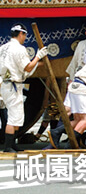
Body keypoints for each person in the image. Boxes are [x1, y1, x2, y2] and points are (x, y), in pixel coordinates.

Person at [0, 24, 48, 152]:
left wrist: (36, 64)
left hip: (6, 83)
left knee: (17, 117)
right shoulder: (19, 49)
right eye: (25, 35)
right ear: (21, 34)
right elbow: (27, 67)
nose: (25, 38)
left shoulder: (3, 48)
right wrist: (38, 56)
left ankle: (13, 144)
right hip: (12, 84)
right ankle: (8, 146)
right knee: (13, 117)